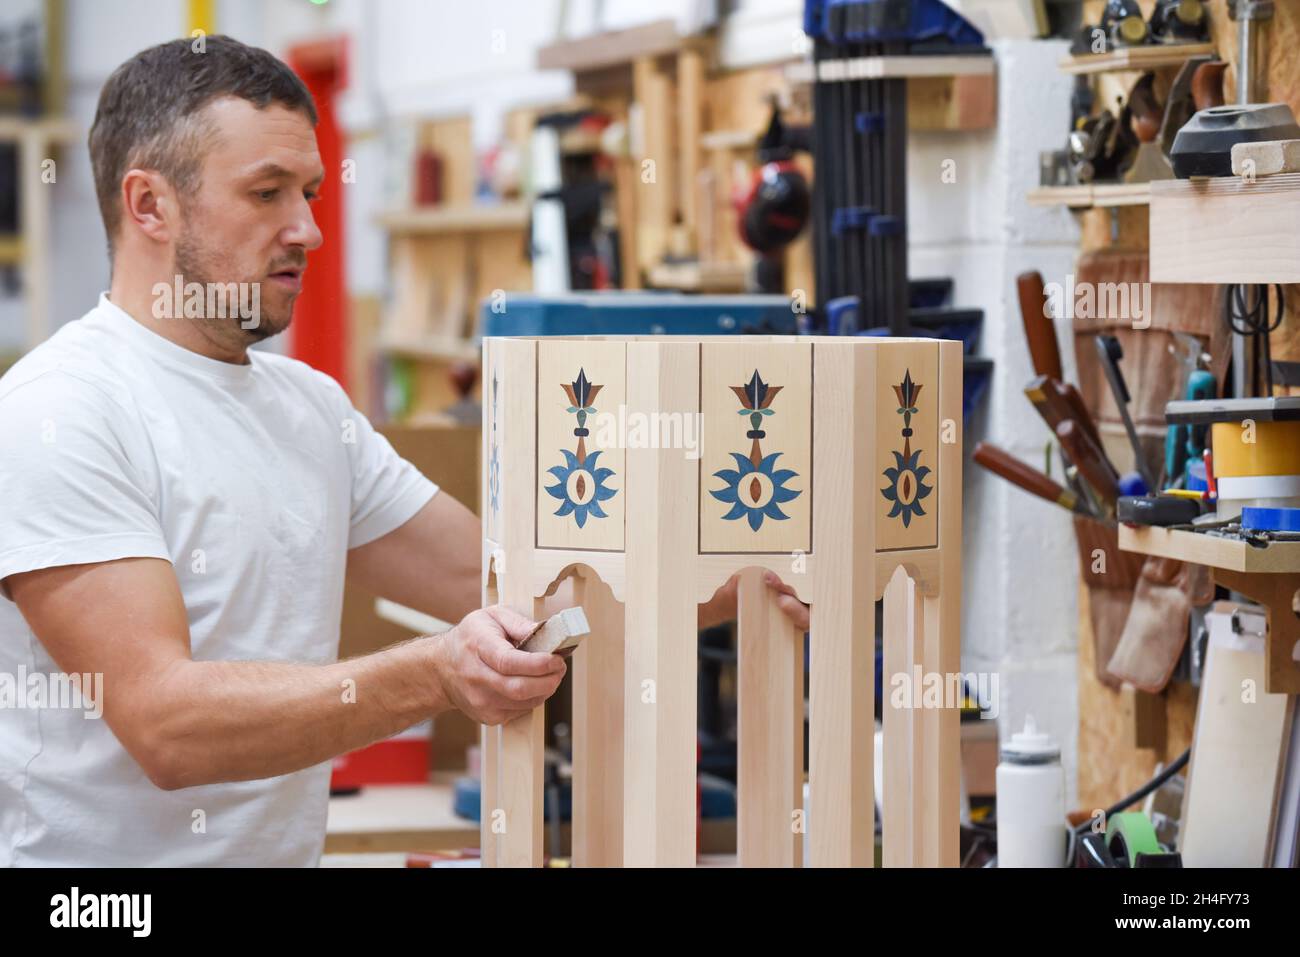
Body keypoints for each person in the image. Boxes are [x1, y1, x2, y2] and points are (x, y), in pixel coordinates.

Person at [0, 36, 808, 866]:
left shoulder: (310, 409)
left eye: (309, 192)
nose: (308, 230)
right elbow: (166, 725)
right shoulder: (61, 412)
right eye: (267, 193)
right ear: (149, 206)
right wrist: (436, 672)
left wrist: (743, 585)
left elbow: (508, 589)